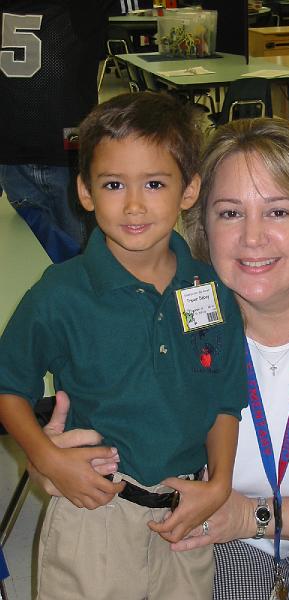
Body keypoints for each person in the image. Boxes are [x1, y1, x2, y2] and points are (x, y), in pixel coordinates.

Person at [33, 117, 289, 600]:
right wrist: (55, 464)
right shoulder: (154, 317)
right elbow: (88, 430)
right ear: (199, 221)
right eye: (229, 213)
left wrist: (254, 513)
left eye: (277, 212)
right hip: (202, 522)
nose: (252, 238)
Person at [0, 92, 247, 600]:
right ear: (85, 192)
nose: (134, 205)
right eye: (114, 184)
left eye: (154, 183)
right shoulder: (60, 294)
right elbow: (8, 386)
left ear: (189, 189)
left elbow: (225, 397)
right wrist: (45, 457)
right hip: (95, 507)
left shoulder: (210, 290)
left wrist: (219, 483)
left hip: (186, 512)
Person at [0, 0, 152, 263]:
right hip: (56, 156)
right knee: (70, 258)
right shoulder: (83, 8)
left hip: (27, 157)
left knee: (45, 258)